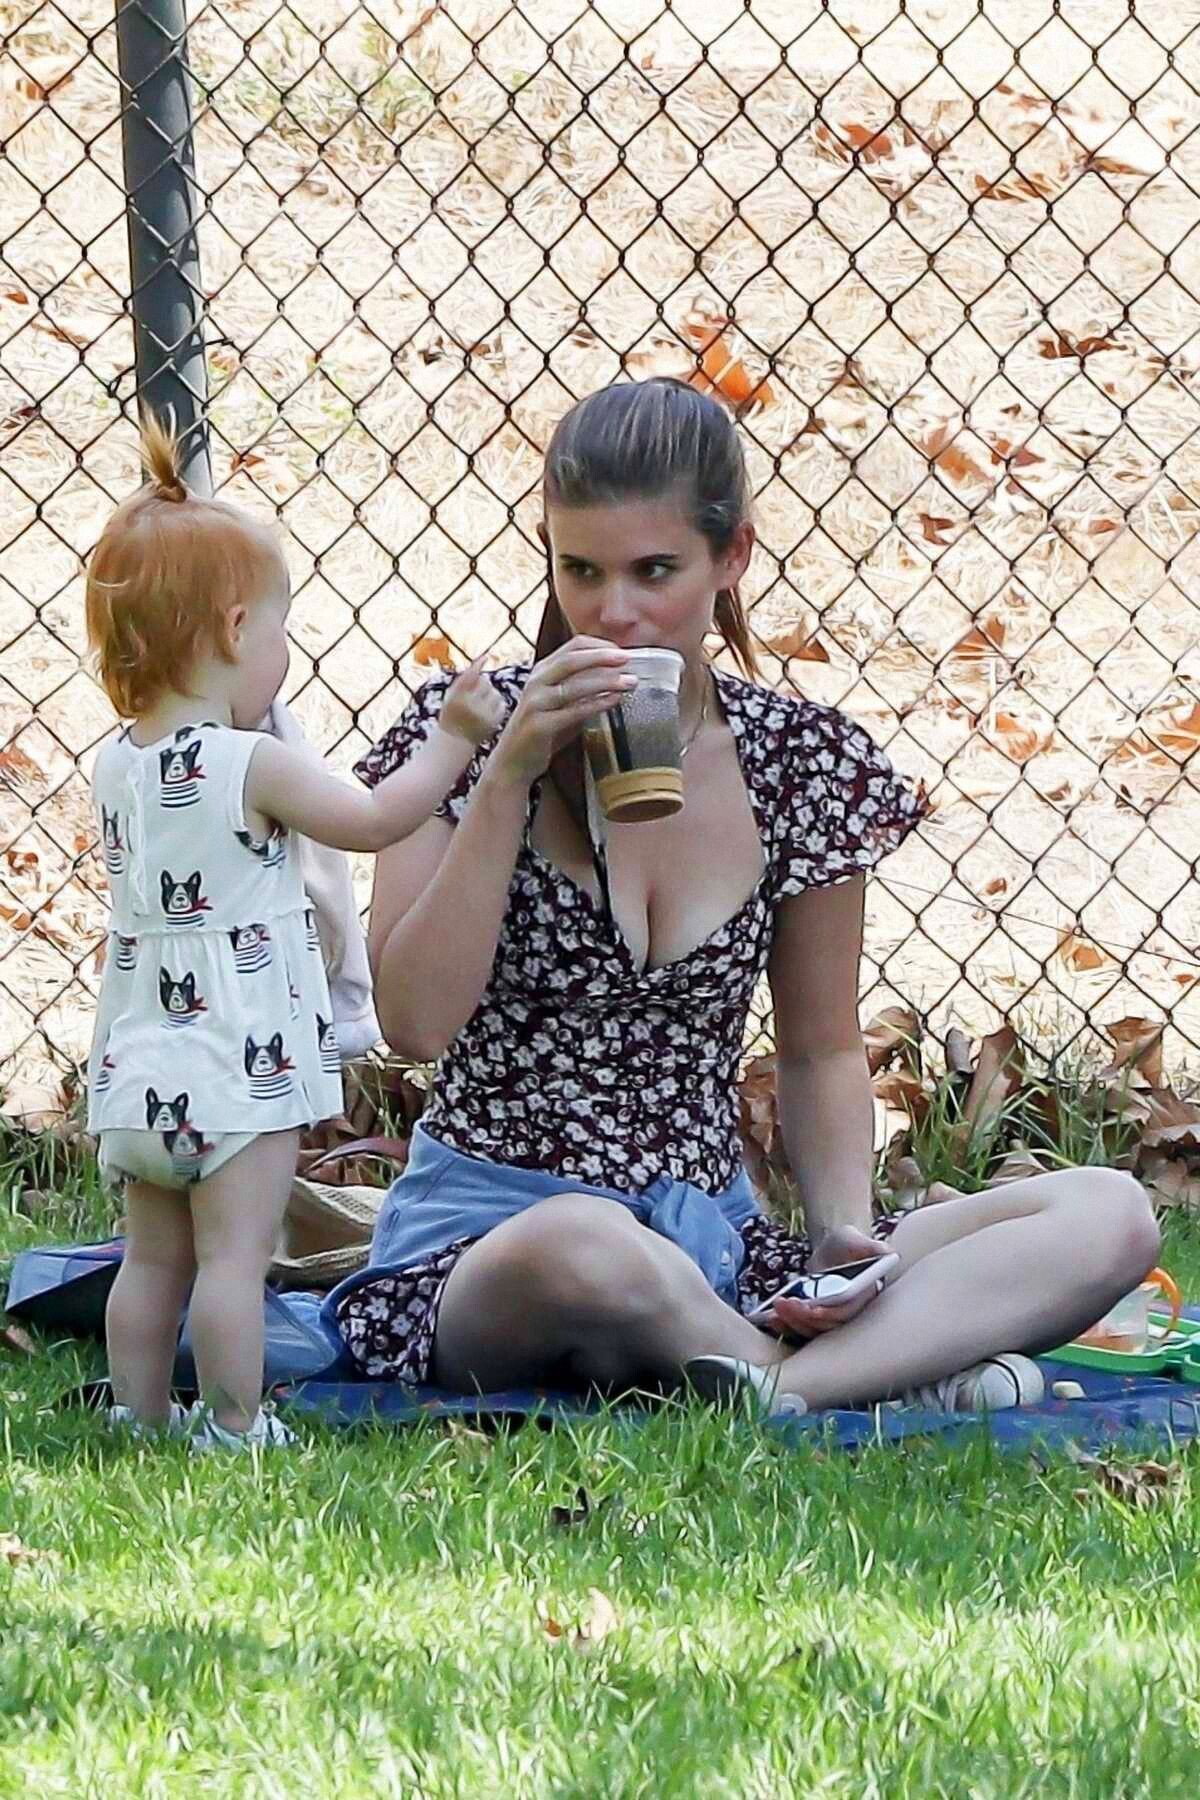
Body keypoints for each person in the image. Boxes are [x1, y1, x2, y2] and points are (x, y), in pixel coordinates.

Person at [327, 378, 1159, 1417]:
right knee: (586, 1243)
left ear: (732, 558)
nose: (613, 611)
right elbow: (414, 1023)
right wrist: (507, 776)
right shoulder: (461, 730)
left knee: (1110, 1214)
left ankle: (772, 1378)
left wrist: (842, 1234)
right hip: (495, 1241)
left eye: (654, 571)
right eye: (580, 570)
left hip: (713, 1239)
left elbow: (820, 1049)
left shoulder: (797, 760)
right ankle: (868, 1372)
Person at [84, 417, 505, 1447]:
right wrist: (454, 739)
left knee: (153, 1259)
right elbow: (374, 819)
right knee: (234, 1261)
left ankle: (138, 1416)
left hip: (139, 1064)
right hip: (241, 1067)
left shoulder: (117, 766)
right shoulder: (250, 764)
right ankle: (235, 1424)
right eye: (281, 631)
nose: (283, 654)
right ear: (236, 631)